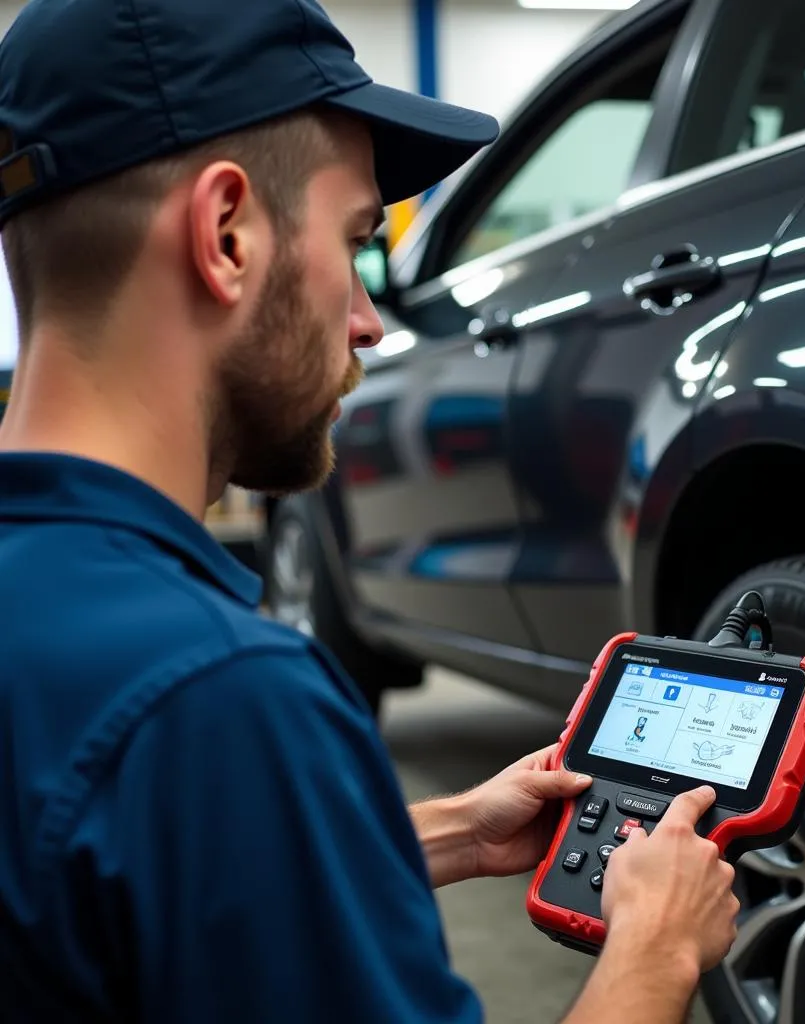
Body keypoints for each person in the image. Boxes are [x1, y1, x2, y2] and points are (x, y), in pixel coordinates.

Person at [0, 0, 740, 1021]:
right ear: (226, 236)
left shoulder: (105, 669)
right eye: (354, 244)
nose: (370, 322)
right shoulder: (217, 698)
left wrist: (446, 833)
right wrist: (654, 954)